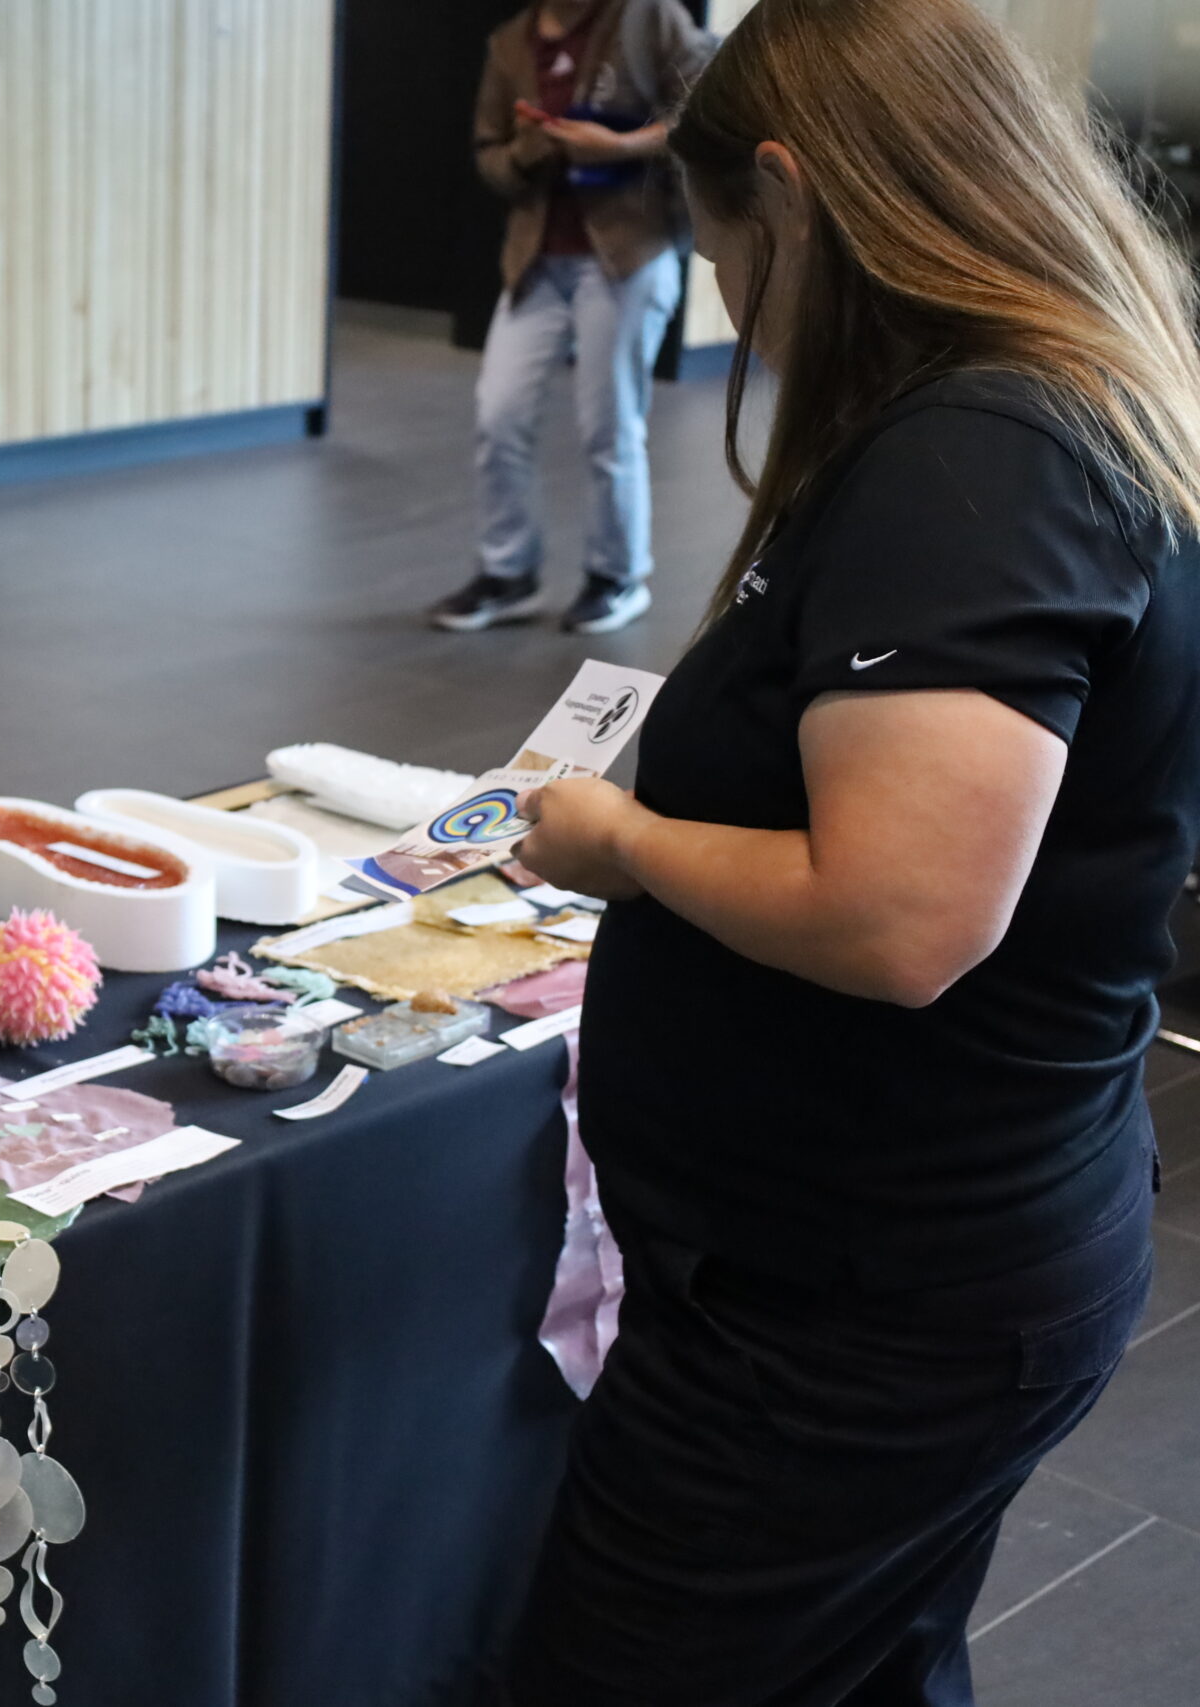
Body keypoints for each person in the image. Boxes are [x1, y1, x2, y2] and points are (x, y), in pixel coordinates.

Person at [502, 0, 1200, 1698]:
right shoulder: (1040, 411)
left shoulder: (981, 460)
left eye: (724, 245)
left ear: (795, 200)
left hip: (861, 1304)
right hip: (917, 1252)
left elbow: (899, 917)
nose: (731, 297)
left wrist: (631, 843)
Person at [430, 0, 714, 636]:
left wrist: (619, 145)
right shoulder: (509, 42)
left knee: (608, 424)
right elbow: (490, 156)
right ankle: (509, 574)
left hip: (625, 256)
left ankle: (617, 576)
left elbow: (704, 112)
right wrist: (531, 148)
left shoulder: (649, 17)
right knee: (497, 414)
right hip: (536, 262)